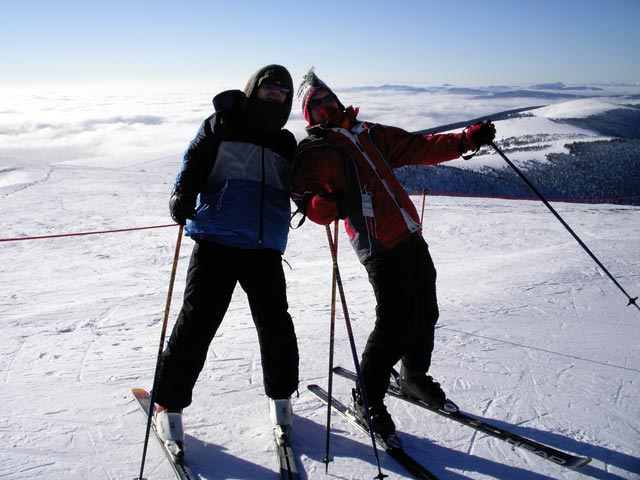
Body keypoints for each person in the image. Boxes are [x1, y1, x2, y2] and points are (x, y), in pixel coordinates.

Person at [291, 68, 495, 446]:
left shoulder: (368, 133)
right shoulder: (317, 151)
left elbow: (420, 147)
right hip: (377, 243)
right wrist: (323, 204)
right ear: (307, 114)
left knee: (426, 311)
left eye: (327, 98)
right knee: (395, 322)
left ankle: (413, 377)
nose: (325, 106)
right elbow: (307, 199)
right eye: (314, 104)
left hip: (409, 234)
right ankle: (367, 397)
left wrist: (466, 140)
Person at [153, 65, 300, 453]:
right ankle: (169, 402)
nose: (276, 94)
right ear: (255, 89)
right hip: (216, 239)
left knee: (276, 326)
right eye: (270, 87)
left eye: (283, 91)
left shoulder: (287, 143)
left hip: (264, 246)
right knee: (197, 323)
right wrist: (181, 194)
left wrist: (324, 201)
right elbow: (194, 161)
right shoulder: (222, 123)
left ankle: (281, 398)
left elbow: (302, 189)